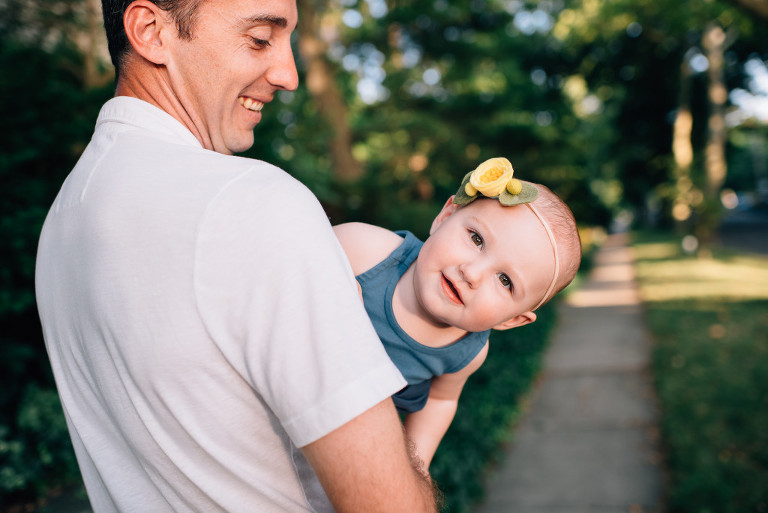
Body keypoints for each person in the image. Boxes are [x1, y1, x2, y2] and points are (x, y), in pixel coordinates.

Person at [34, 0, 439, 511]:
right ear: (150, 30)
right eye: (260, 38)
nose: (288, 74)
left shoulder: (64, 220)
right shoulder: (253, 201)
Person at [333, 157, 582, 468]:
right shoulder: (362, 250)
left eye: (504, 281)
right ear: (445, 216)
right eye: (476, 239)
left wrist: (416, 466)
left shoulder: (465, 352)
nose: (472, 273)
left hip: (341, 446)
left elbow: (440, 401)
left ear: (511, 320)